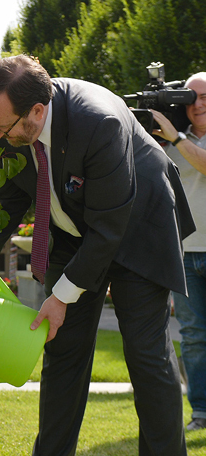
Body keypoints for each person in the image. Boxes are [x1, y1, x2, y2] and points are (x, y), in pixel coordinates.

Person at [0, 54, 195, 455]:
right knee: (62, 354)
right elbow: (10, 198)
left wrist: (61, 296)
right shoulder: (7, 127)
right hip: (74, 235)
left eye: (2, 127)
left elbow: (108, 228)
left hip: (140, 228)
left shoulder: (99, 122)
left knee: (146, 356)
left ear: (37, 111)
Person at [151, 73, 206, 432]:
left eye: (205, 97)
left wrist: (177, 138)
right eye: (191, 97)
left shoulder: (177, 139)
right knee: (194, 336)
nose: (198, 104)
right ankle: (201, 412)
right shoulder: (170, 140)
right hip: (184, 253)